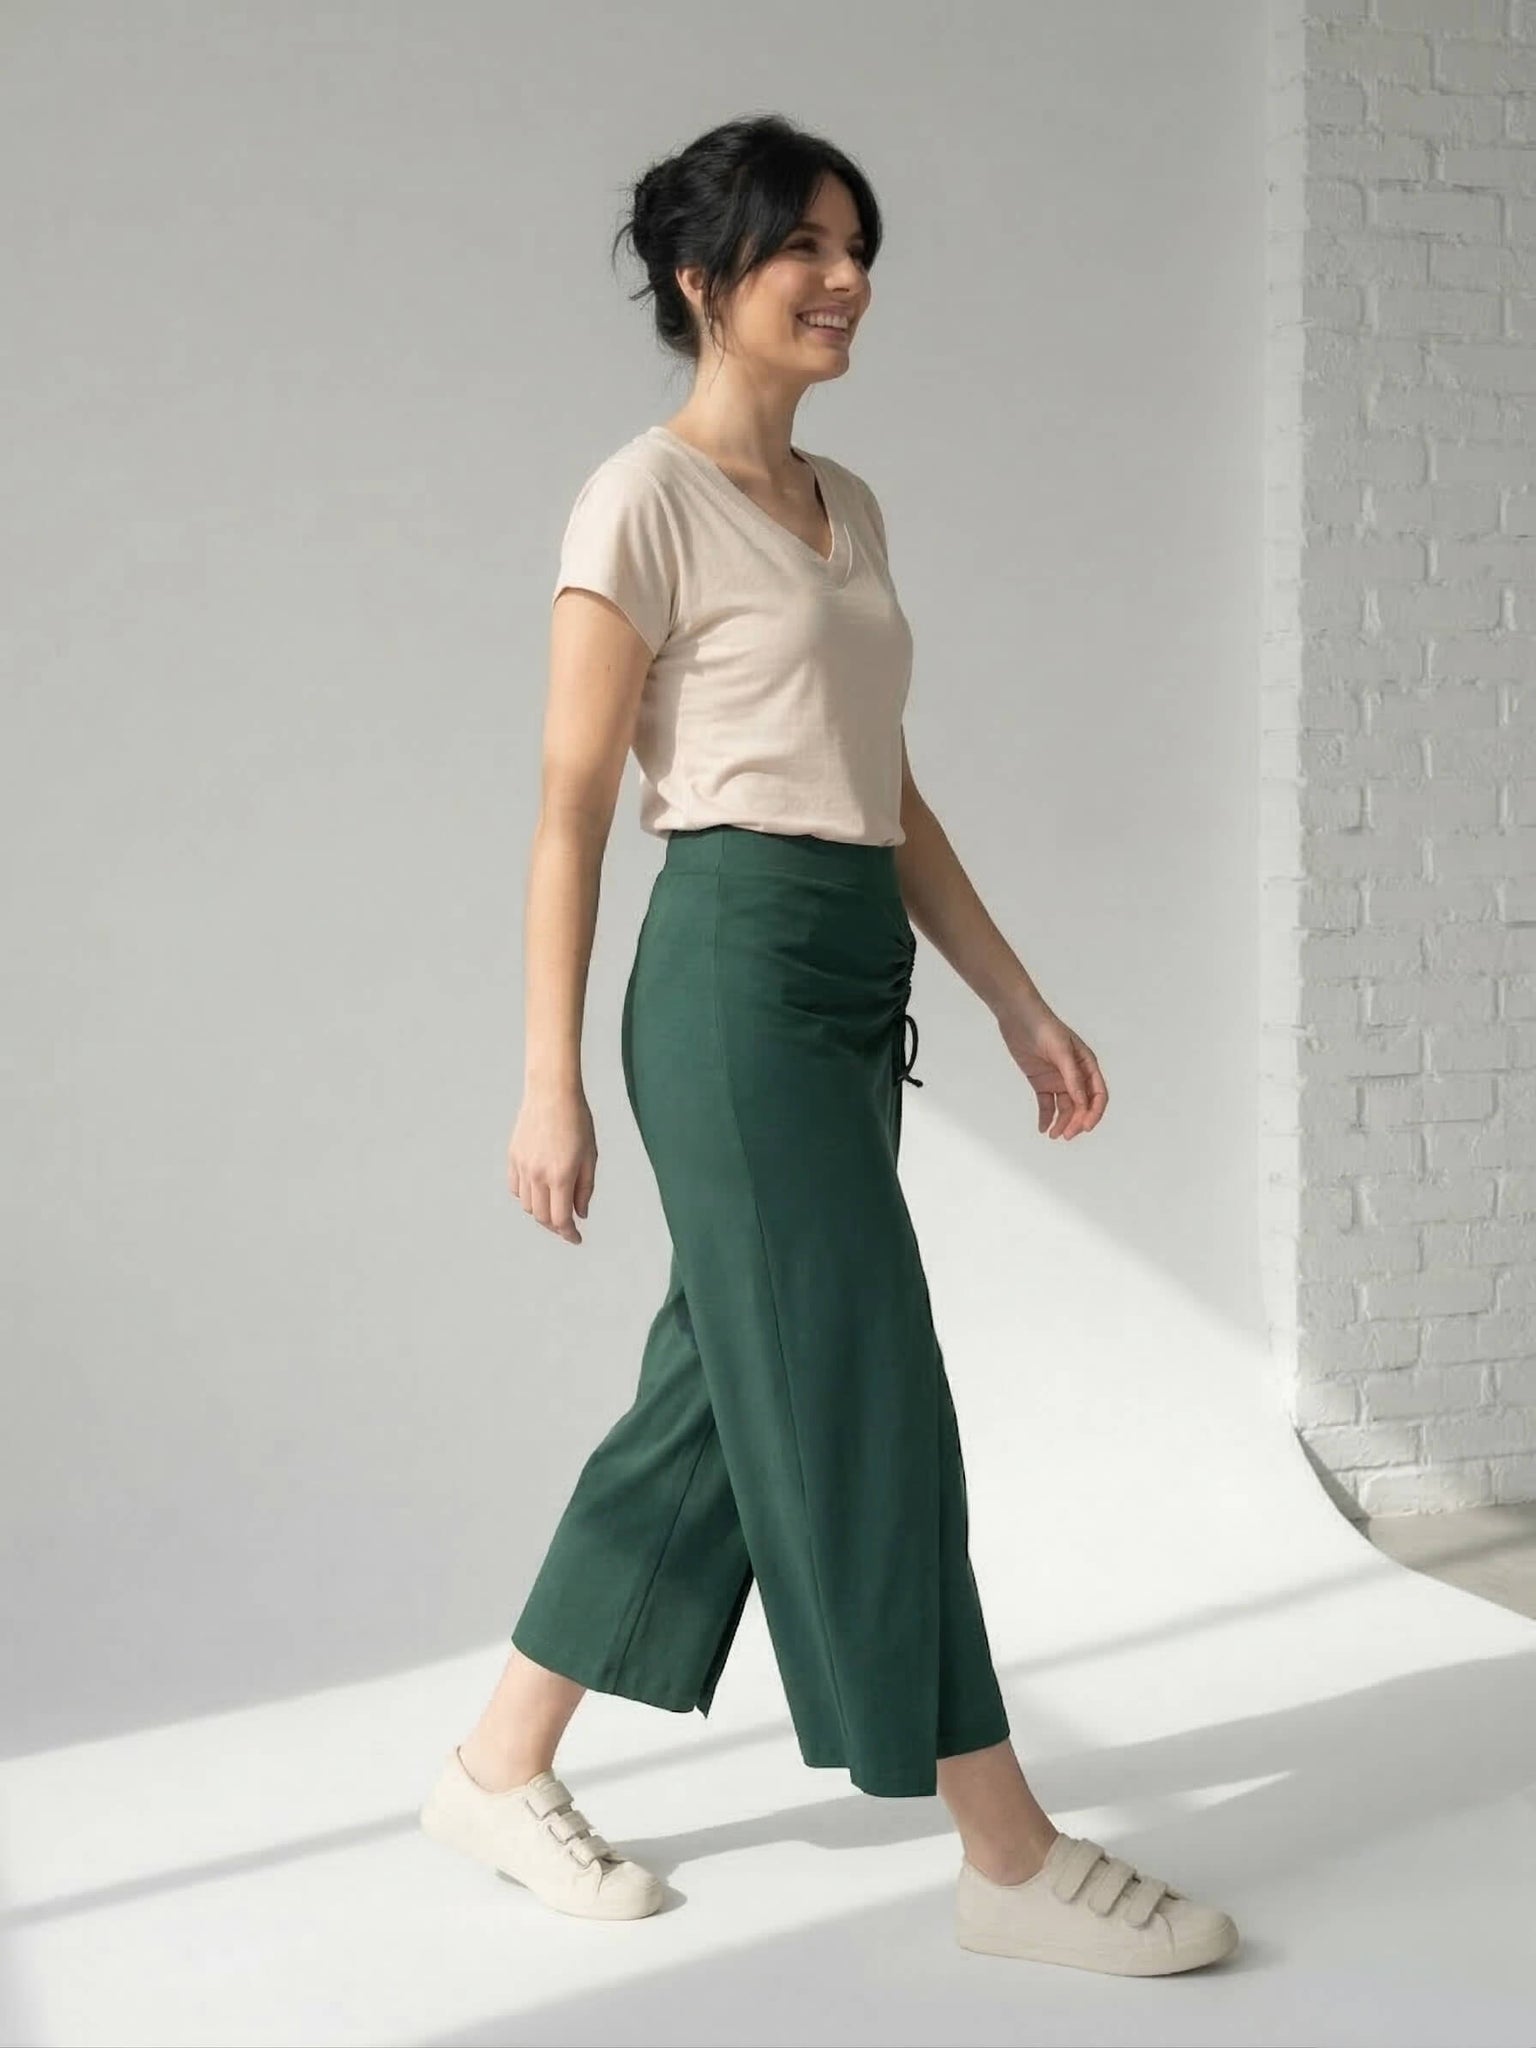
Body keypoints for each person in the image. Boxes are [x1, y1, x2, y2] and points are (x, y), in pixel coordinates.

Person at [419, 113, 1240, 1976]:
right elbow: (569, 808)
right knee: (863, 1382)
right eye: (804, 245)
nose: (847, 277)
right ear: (702, 279)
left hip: (852, 977)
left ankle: (495, 1767)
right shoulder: (637, 501)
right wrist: (547, 1078)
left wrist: (1014, 997)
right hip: (729, 980)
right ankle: (1005, 1851)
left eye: (858, 245)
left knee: (725, 1390)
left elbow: (888, 791)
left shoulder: (844, 504)